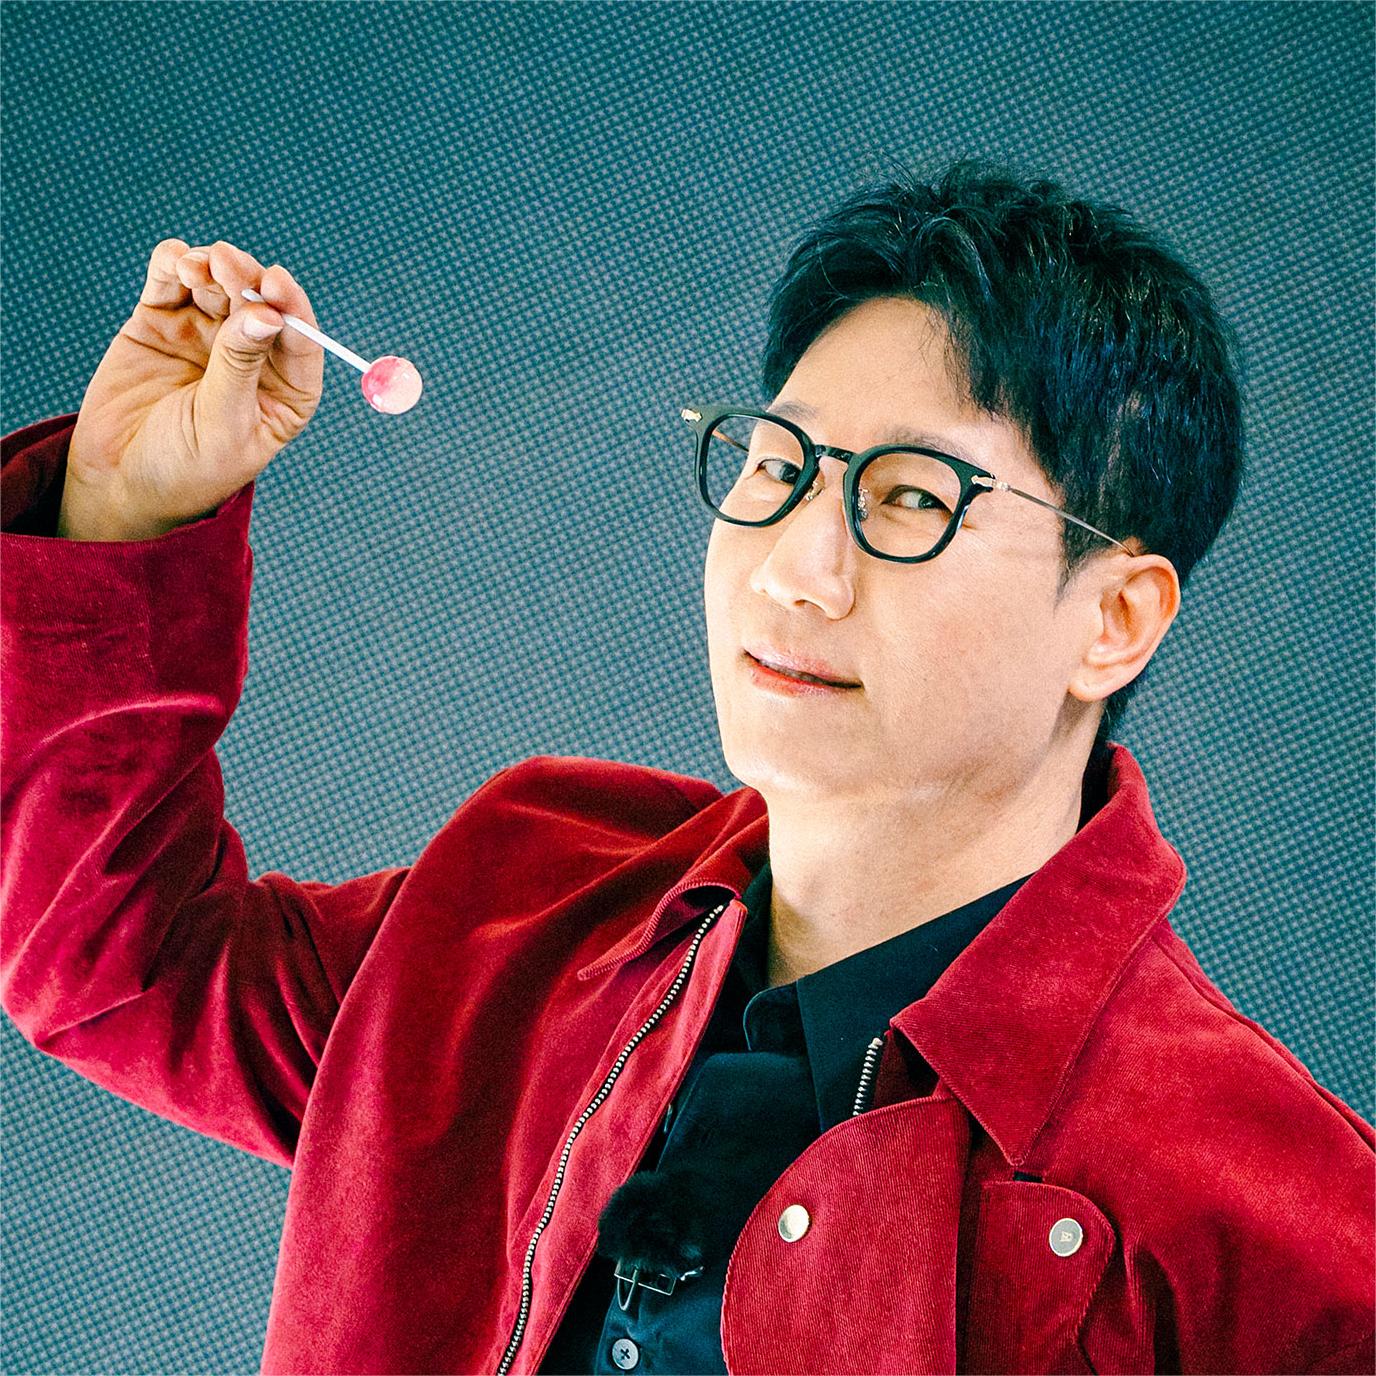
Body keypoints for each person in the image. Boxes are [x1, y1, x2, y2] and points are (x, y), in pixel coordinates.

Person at [1, 155, 1371, 1376]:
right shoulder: (519, 909)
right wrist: (125, 506)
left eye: (911, 498)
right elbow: (114, 958)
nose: (796, 572)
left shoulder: (1269, 1214)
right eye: (778, 466)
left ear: (1114, 619)